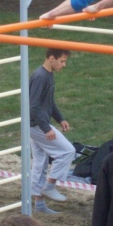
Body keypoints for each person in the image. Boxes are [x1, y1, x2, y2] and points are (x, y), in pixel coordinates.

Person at [29, 48, 75, 214]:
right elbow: (33, 106)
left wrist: (60, 118)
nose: (64, 65)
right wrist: (46, 128)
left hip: (35, 125)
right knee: (68, 151)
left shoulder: (48, 75)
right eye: (62, 61)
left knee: (40, 162)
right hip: (36, 125)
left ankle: (39, 204)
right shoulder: (40, 77)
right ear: (51, 58)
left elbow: (49, 101)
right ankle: (50, 185)